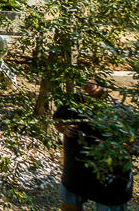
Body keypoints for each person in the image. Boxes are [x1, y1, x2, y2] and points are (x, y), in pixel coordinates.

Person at [55, 81, 134, 211]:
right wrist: (65, 128)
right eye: (85, 84)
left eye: (93, 84)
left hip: (109, 176)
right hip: (76, 168)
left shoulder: (117, 110)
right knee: (70, 204)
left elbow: (130, 143)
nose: (89, 88)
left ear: (105, 86)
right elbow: (58, 121)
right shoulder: (73, 102)